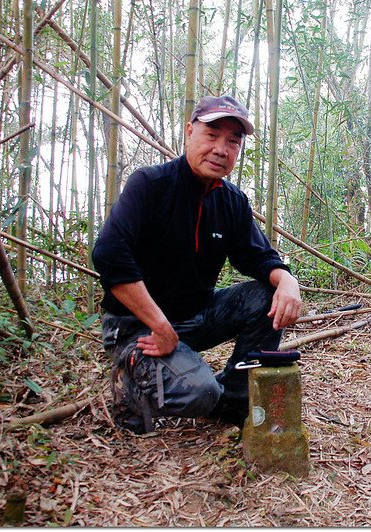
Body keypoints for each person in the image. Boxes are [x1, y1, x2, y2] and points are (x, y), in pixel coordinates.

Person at [92, 95, 302, 434]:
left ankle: (232, 400)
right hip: (138, 327)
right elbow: (109, 255)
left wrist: (287, 281)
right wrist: (159, 326)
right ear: (189, 132)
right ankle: (131, 389)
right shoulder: (149, 185)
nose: (221, 149)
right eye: (212, 135)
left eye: (233, 142)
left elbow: (257, 256)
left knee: (266, 294)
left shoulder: (231, 200)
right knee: (200, 392)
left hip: (196, 316)